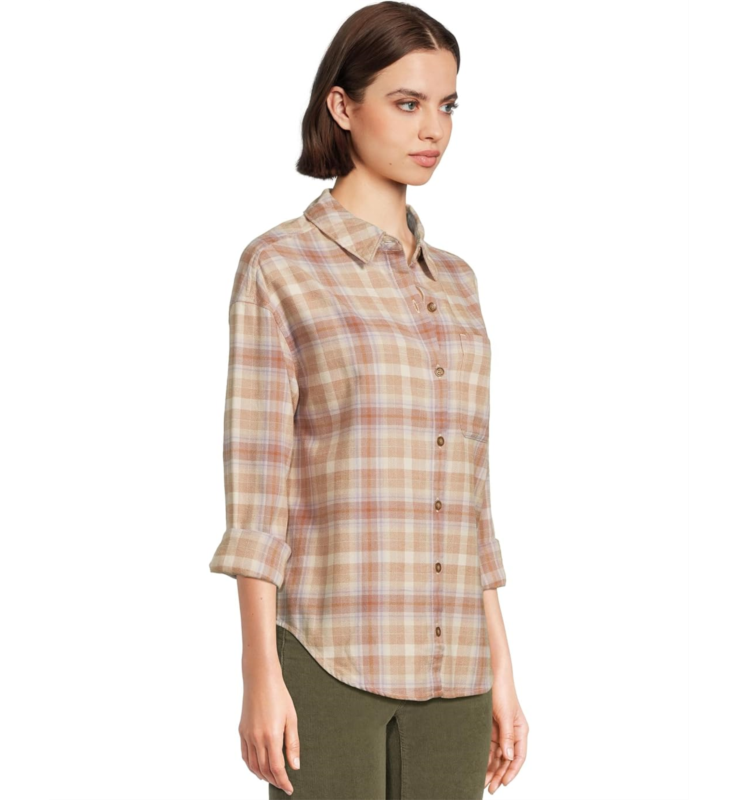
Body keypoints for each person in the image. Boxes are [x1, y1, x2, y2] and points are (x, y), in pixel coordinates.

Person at [209, 3, 529, 797]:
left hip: (457, 672)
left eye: (447, 105)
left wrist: (503, 669)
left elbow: (469, 498)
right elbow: (258, 492)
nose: (433, 129)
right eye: (407, 102)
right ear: (343, 106)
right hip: (330, 657)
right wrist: (259, 672)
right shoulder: (279, 265)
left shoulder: (457, 282)